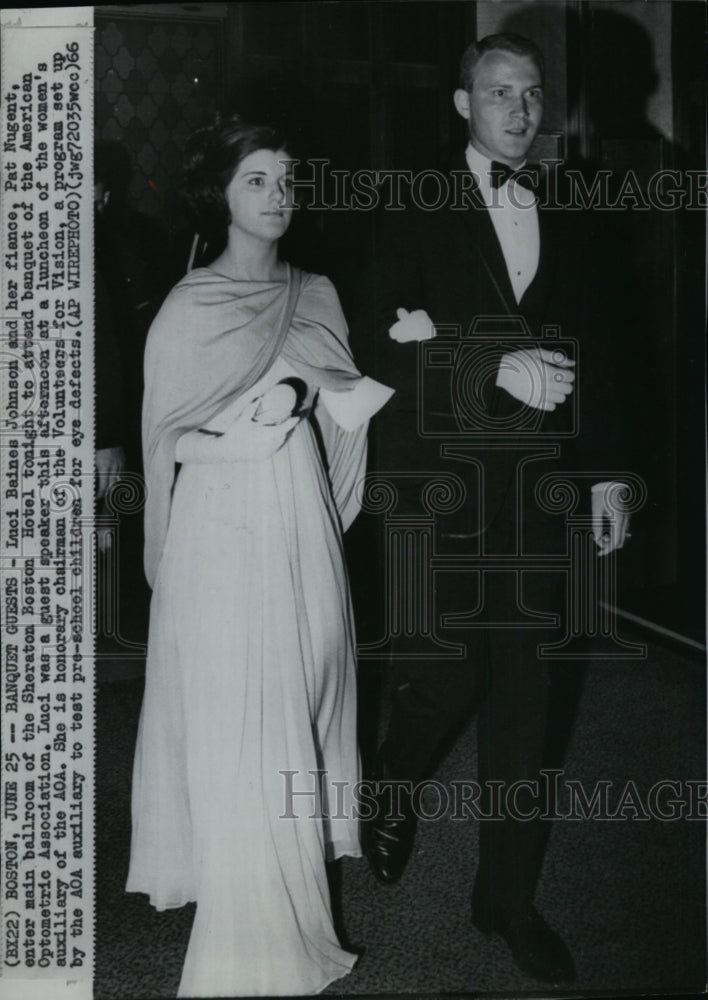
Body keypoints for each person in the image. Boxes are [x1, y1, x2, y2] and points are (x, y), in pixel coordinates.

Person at [360, 33, 632, 984]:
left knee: (529, 692)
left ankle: (504, 900)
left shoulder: (572, 204)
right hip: (440, 485)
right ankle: (389, 783)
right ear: (462, 105)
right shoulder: (411, 197)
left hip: (541, 488)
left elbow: (600, 346)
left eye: (532, 92)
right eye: (499, 92)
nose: (520, 109)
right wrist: (486, 361)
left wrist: (603, 478)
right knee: (445, 675)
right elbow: (376, 341)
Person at [126, 115, 391, 997]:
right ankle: (250, 928)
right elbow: (165, 436)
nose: (278, 195)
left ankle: (282, 884)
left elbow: (348, 401)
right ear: (222, 195)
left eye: (286, 180)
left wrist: (310, 388)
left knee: (298, 695)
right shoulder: (185, 305)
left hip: (298, 519)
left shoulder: (316, 291)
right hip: (218, 528)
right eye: (257, 181)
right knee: (238, 706)